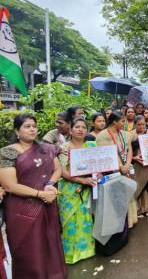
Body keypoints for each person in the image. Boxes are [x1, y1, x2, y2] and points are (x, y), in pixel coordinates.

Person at [0, 113, 67, 278]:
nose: (32, 129)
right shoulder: (7, 153)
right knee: (28, 247)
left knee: (49, 241)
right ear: (17, 130)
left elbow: (57, 169)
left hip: (47, 203)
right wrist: (40, 193)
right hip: (21, 209)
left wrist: (50, 185)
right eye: (27, 126)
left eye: (34, 126)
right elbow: (9, 185)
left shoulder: (46, 148)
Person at [58, 118, 96, 264]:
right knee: (70, 222)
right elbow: (62, 171)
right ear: (71, 129)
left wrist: (97, 173)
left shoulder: (92, 145)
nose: (81, 129)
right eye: (77, 127)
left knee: (85, 219)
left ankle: (86, 251)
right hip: (69, 189)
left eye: (83, 127)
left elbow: (98, 164)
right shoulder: (64, 147)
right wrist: (81, 180)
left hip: (87, 188)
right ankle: (69, 255)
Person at [96, 111, 136, 228]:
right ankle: (118, 226)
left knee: (127, 196)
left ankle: (128, 223)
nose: (124, 123)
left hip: (126, 169)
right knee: (116, 199)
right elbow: (107, 155)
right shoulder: (103, 135)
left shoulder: (124, 134)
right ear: (114, 122)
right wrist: (120, 167)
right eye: (122, 121)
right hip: (112, 172)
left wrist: (128, 164)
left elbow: (129, 149)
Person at [130, 116, 148, 218]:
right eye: (139, 124)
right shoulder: (130, 135)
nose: (141, 126)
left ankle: (145, 208)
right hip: (135, 165)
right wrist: (134, 158)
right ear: (135, 124)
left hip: (147, 165)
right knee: (136, 186)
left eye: (143, 124)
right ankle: (136, 210)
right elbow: (126, 151)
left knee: (146, 187)